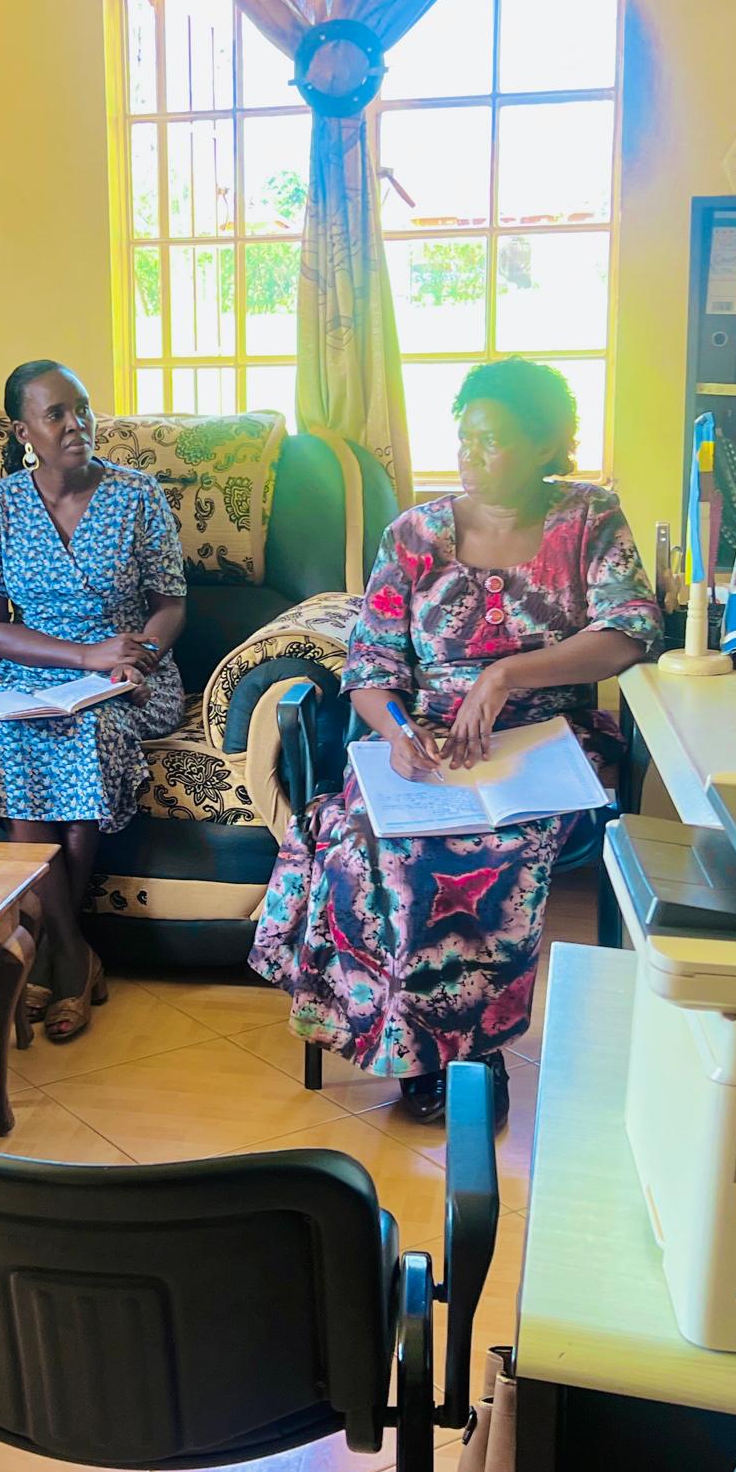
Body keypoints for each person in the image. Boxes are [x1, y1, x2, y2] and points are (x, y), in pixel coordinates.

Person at [251, 359, 662, 1121]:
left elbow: (629, 632)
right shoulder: (413, 536)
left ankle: (476, 1056)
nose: (470, 456)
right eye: (464, 438)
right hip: (433, 745)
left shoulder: (588, 519)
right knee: (362, 834)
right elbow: (370, 667)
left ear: (547, 445)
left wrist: (506, 674)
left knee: (485, 845)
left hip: (549, 741)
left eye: (492, 441)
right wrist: (401, 732)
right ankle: (414, 1049)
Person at [0, 361, 188, 1042]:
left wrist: (134, 658)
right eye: (56, 415)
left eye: (83, 409)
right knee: (13, 739)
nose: (76, 426)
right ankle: (73, 949)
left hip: (129, 677)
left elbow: (170, 605)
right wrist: (79, 657)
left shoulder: (136, 494)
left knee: (85, 734)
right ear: (23, 430)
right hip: (34, 677)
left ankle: (57, 950)